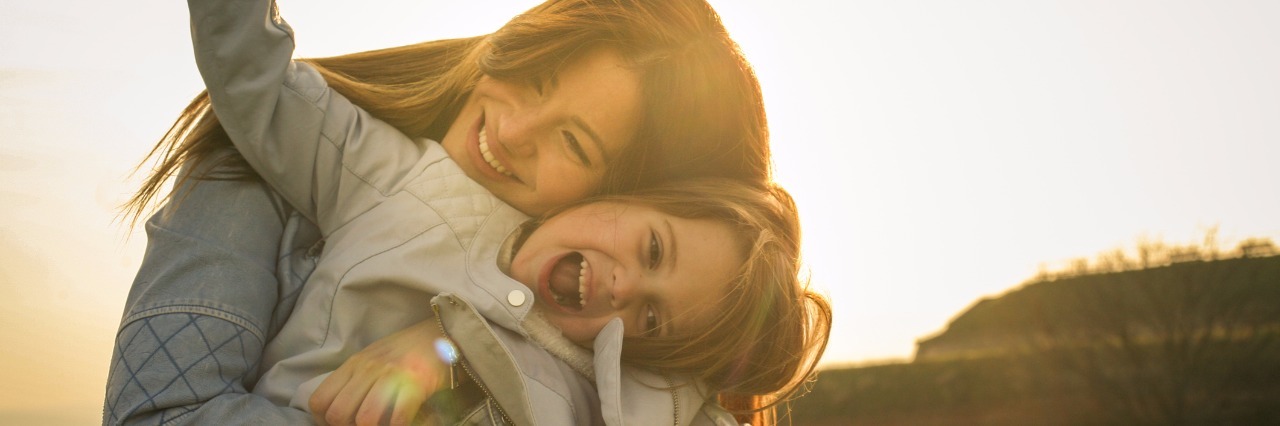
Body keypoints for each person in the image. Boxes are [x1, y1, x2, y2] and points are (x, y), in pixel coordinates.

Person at [101, 0, 805, 424]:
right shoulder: (378, 175)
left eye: (574, 143)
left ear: (613, 187)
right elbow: (260, 84)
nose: (515, 132)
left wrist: (459, 355)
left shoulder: (591, 335)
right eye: (536, 79)